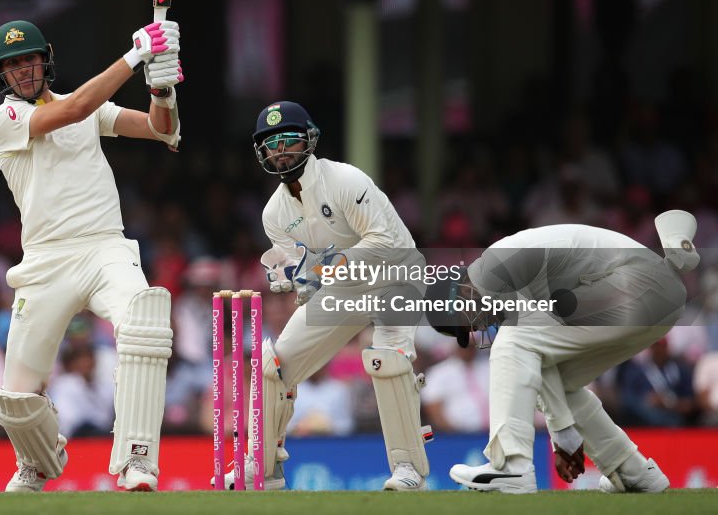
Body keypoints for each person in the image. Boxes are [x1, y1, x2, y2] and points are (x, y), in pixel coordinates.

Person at [0, 19, 183, 493]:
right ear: (1, 75)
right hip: (45, 261)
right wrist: (133, 57)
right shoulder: (5, 120)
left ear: (46, 58)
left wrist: (161, 86)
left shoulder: (91, 108)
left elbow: (161, 129)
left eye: (29, 58)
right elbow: (74, 109)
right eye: (13, 65)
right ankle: (37, 460)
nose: (23, 70)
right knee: (15, 396)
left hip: (104, 247)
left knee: (144, 322)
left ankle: (138, 458)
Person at [232, 100, 431, 491]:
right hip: (345, 286)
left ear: (309, 140)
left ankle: (409, 470)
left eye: (288, 141)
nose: (280, 151)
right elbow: (302, 271)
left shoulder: (345, 181)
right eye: (272, 145)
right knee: (275, 365)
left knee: (387, 359)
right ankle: (263, 468)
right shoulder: (274, 214)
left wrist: (321, 269)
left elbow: (383, 240)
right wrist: (291, 275)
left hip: (395, 274)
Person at [431, 211, 698, 494]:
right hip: (660, 299)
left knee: (512, 340)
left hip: (637, 284)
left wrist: (563, 434)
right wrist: (563, 436)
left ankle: (510, 464)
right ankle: (632, 471)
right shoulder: (499, 286)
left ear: (458, 294)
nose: (476, 328)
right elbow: (546, 369)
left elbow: (528, 344)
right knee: (557, 378)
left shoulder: (494, 267)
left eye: (466, 322)